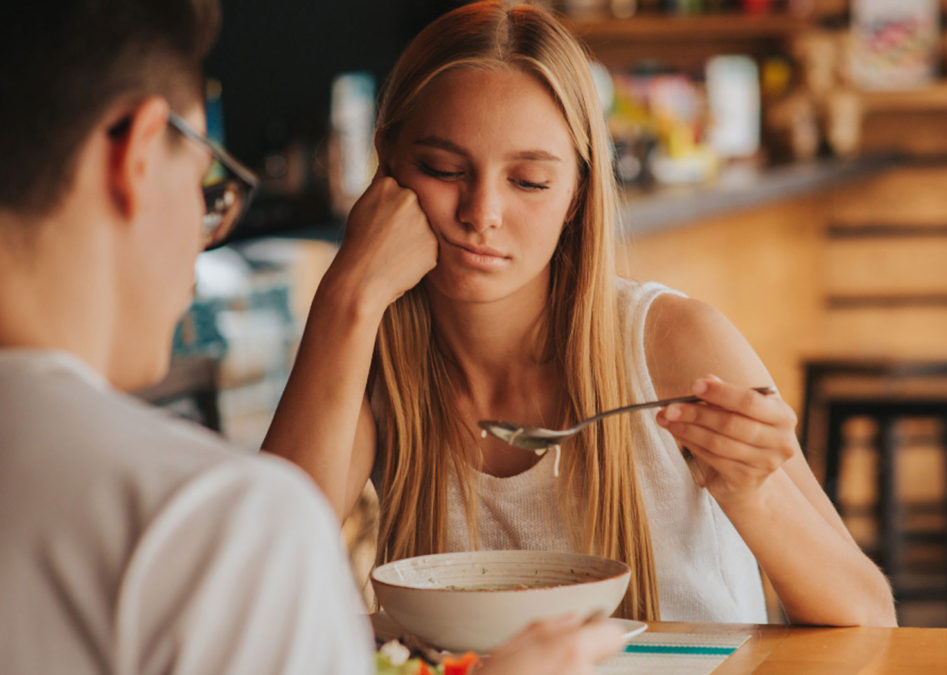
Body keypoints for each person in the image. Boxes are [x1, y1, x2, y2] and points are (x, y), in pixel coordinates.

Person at [0, 1, 624, 673]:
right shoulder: (205, 522)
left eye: (529, 179)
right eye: (208, 177)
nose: (481, 215)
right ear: (139, 153)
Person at [265, 0, 897, 627]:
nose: (482, 212)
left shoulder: (672, 345)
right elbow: (260, 576)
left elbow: (870, 620)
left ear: (575, 194)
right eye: (444, 169)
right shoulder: (373, 365)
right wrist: (346, 294)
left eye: (530, 181)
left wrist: (753, 491)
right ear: (388, 166)